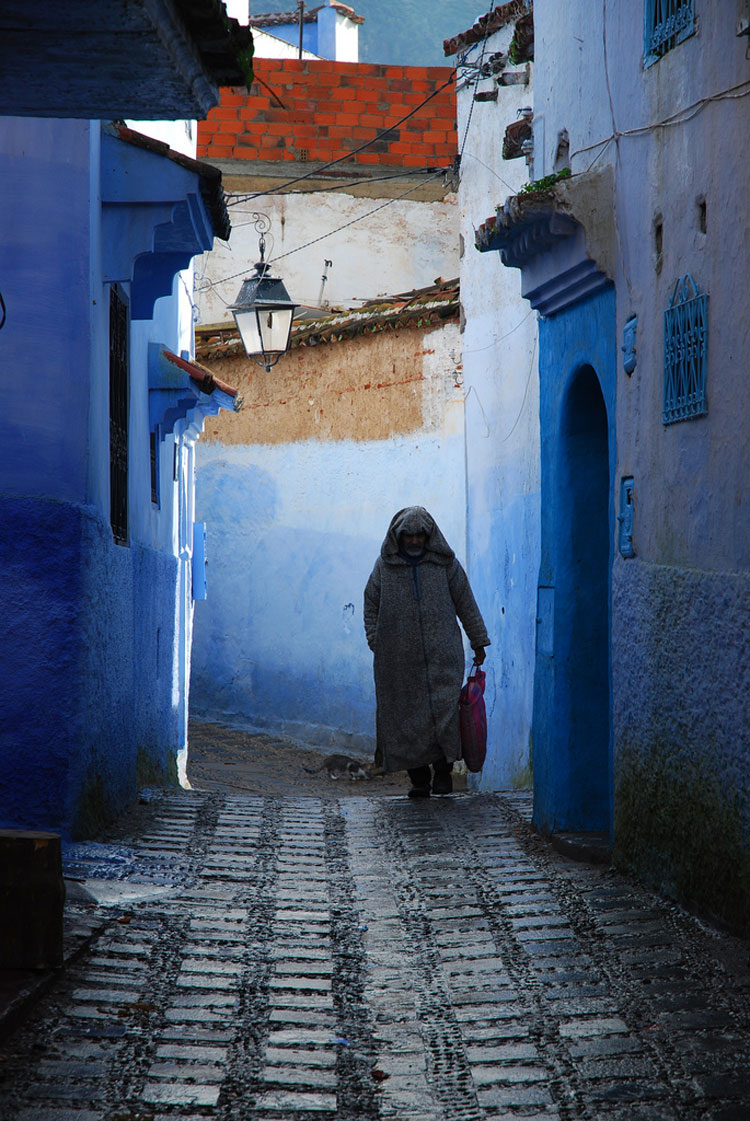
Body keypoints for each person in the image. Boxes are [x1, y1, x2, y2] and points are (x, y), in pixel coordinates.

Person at [363, 506, 490, 797]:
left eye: (421, 535)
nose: (415, 541)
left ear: (430, 536)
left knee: (443, 716)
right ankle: (419, 780)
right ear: (399, 536)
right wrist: (376, 640)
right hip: (398, 661)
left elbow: (465, 603)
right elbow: (371, 603)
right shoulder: (384, 568)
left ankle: (443, 775)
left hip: (442, 656)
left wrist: (478, 640)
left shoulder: (446, 565)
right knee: (406, 719)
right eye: (410, 536)